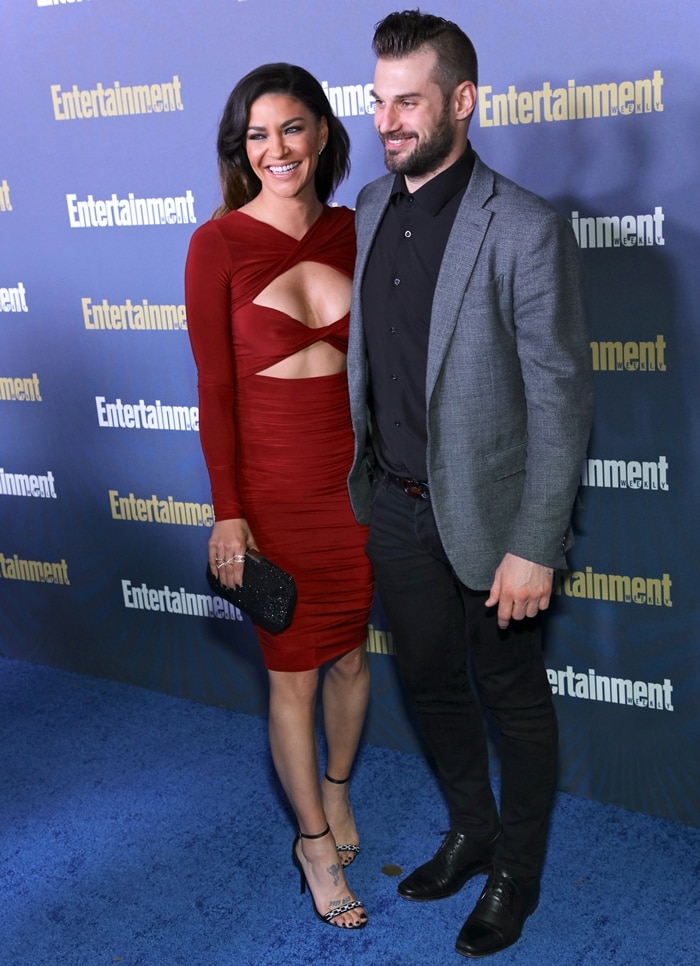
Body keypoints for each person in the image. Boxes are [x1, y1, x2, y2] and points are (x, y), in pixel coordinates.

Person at [347, 11, 593, 958]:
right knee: (432, 687)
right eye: (378, 100)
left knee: (514, 703)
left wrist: (536, 541)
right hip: (397, 511)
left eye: (408, 101)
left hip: (497, 525)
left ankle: (515, 876)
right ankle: (470, 828)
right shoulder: (370, 209)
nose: (388, 120)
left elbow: (562, 400)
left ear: (462, 101)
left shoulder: (523, 227)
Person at [184, 63, 373, 930]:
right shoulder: (215, 243)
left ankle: (336, 793)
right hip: (270, 488)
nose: (275, 150)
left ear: (322, 134)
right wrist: (230, 509)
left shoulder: (357, 230)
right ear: (241, 149)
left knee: (350, 659)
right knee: (292, 676)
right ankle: (309, 843)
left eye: (291, 129)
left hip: (351, 482)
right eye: (257, 136)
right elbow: (215, 391)